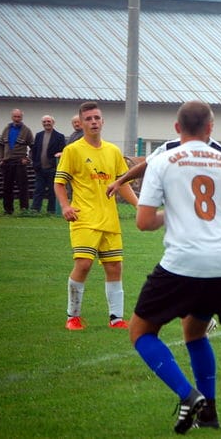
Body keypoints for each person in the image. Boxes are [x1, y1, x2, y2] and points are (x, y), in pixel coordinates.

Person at [131, 100, 221, 433]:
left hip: (181, 261)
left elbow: (144, 222)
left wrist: (173, 214)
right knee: (194, 333)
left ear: (177, 129)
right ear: (210, 128)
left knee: (140, 331)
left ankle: (188, 395)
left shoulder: (163, 161)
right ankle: (210, 413)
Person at [106, 137, 221, 339]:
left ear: (179, 127)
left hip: (185, 240)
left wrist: (122, 181)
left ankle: (219, 318)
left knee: (144, 328)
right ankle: (219, 319)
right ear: (208, 127)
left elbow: (145, 212)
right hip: (216, 237)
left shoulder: (173, 151)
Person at [54, 102, 139, 330]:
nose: (93, 122)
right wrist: (65, 207)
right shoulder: (73, 150)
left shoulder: (112, 151)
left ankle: (116, 318)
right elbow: (59, 183)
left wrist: (139, 206)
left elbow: (122, 185)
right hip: (84, 218)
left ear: (103, 122)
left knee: (114, 267)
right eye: (89, 118)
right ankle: (73, 316)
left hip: (110, 220)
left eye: (96, 118)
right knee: (83, 264)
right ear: (81, 123)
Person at [0, 109, 34, 215]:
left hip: (19, 163)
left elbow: (33, 147)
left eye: (19, 117)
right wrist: (1, 159)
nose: (17, 119)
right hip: (7, 162)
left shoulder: (26, 130)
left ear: (22, 117)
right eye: (15, 117)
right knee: (7, 187)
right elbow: (1, 145)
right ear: (12, 117)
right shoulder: (6, 129)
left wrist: (27, 159)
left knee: (23, 187)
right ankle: (8, 210)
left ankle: (24, 210)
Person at [30, 115, 66, 214]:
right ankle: (35, 210)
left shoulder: (59, 136)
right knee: (38, 190)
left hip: (52, 168)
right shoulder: (38, 135)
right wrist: (35, 163)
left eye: (48, 121)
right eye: (44, 122)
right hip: (40, 168)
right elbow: (35, 150)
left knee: (52, 191)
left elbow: (63, 151)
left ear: (53, 123)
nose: (46, 123)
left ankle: (51, 210)